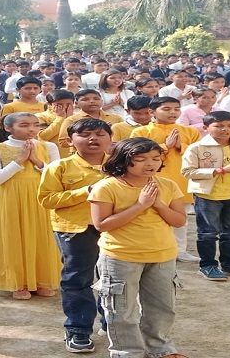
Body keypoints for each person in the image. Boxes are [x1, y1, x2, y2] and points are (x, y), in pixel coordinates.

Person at [88, 138, 188, 358]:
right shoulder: (107, 187)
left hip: (162, 255)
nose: (150, 164)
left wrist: (158, 204)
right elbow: (102, 225)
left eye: (155, 158)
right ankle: (127, 352)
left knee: (162, 308)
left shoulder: (168, 184)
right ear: (124, 160)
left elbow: (179, 220)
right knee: (121, 310)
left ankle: (160, 349)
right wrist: (140, 205)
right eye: (140, 159)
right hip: (121, 256)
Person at [38, 118, 112, 353]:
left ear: (110, 139)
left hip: (115, 227)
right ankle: (78, 330)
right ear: (70, 141)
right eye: (86, 134)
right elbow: (47, 200)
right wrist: (85, 191)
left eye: (100, 134)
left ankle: (111, 323)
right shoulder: (58, 167)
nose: (93, 138)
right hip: (75, 228)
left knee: (114, 277)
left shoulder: (120, 165)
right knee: (78, 278)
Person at [0, 112, 61, 299]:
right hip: (10, 197)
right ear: (8, 128)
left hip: (41, 196)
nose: (31, 129)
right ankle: (18, 283)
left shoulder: (48, 146)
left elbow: (57, 176)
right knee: (14, 237)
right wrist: (20, 159)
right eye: (24, 125)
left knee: (42, 236)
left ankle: (42, 279)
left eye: (36, 125)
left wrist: (35, 160)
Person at [181, 111, 230, 281]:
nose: (225, 130)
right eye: (219, 126)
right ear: (206, 127)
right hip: (208, 196)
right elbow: (188, 172)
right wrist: (220, 170)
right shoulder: (197, 148)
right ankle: (208, 265)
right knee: (208, 232)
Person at [130, 96, 201, 263]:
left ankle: (180, 250)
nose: (173, 112)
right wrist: (165, 146)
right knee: (150, 215)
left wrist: (180, 146)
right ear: (152, 112)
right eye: (167, 109)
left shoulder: (190, 131)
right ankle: (150, 248)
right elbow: (136, 153)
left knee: (179, 216)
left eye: (176, 109)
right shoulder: (141, 132)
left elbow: (198, 154)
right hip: (152, 179)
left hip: (180, 180)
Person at [57, 89, 124, 148]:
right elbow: (63, 142)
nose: (92, 101)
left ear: (102, 101)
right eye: (85, 99)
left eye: (96, 99)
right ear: (76, 103)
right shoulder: (72, 120)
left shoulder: (116, 118)